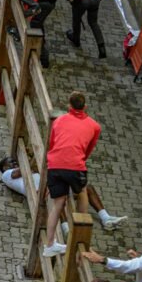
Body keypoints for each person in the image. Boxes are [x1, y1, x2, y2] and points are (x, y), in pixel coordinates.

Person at [42, 91, 101, 258]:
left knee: (57, 205)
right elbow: (88, 149)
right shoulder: (95, 126)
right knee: (82, 192)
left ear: (69, 106)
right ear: (85, 107)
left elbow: (52, 143)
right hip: (75, 166)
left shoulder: (59, 120)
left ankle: (50, 244)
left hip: (55, 165)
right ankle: (78, 233)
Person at [0, 156, 127, 230]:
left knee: (87, 188)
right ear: (4, 167)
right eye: (11, 162)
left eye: (15, 161)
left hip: (49, 187)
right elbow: (19, 172)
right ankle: (66, 229)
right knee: (58, 195)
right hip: (39, 192)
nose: (15, 162)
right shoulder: (6, 175)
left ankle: (106, 218)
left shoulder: (29, 170)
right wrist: (30, 161)